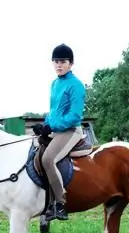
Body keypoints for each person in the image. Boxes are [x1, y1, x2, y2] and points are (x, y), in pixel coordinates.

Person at [34, 43, 86, 221]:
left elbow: (74, 115)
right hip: (57, 129)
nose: (58, 64)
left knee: (48, 159)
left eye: (62, 61)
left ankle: (60, 203)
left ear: (70, 64)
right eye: (55, 61)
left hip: (71, 130)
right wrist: (44, 125)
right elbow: (54, 111)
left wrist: (53, 127)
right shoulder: (54, 84)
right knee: (34, 150)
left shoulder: (76, 85)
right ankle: (43, 201)